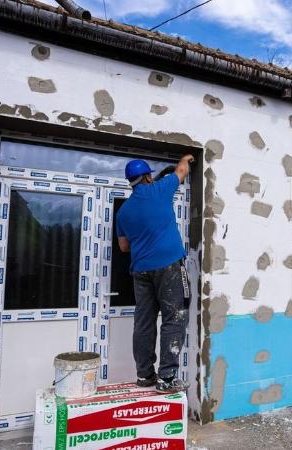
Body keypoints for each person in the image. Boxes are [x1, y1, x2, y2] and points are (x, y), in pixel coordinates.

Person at [116, 154, 195, 392]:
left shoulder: (124, 212)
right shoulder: (160, 189)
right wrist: (186, 158)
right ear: (148, 176)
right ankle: (167, 378)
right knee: (174, 317)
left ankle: (144, 375)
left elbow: (123, 247)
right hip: (169, 265)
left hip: (141, 270)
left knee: (144, 322)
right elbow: (181, 171)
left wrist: (143, 235)